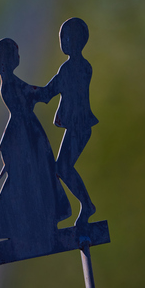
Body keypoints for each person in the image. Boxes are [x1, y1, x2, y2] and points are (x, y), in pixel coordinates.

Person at [0, 38, 71, 247]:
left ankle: (36, 222)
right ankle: (15, 220)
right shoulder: (12, 84)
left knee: (32, 177)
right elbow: (41, 94)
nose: (19, 56)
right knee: (35, 176)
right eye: (15, 54)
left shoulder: (9, 84)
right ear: (8, 59)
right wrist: (60, 80)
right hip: (27, 137)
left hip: (26, 135)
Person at [41, 18, 98, 226]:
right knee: (62, 167)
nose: (62, 42)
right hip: (78, 126)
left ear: (75, 41)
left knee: (63, 167)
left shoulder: (72, 69)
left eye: (65, 38)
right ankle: (85, 205)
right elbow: (49, 92)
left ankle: (87, 205)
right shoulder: (82, 67)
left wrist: (26, 93)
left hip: (78, 127)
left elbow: (47, 93)